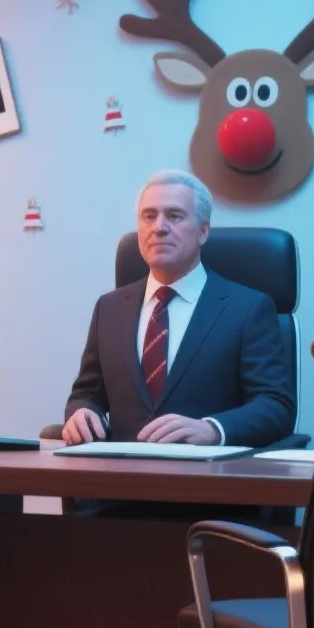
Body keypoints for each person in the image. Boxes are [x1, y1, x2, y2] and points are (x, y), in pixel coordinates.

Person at [62, 170, 295, 447]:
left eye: (174, 216)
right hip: (119, 478)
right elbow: (87, 393)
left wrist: (213, 429)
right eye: (149, 216)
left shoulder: (248, 309)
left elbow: (276, 406)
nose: (159, 227)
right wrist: (81, 412)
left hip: (205, 480)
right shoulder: (109, 308)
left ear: (203, 231)